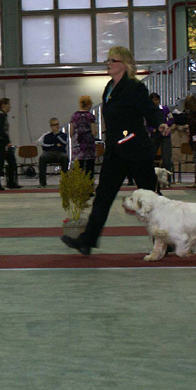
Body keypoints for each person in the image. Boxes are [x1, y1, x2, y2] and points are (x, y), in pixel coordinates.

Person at [62, 46, 169, 256]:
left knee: (153, 198)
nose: (108, 63)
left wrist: (160, 123)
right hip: (115, 152)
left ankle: (166, 241)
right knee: (102, 197)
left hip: (137, 151)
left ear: (124, 64)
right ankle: (87, 241)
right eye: (108, 60)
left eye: (113, 60)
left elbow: (149, 109)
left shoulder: (134, 87)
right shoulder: (109, 87)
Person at [0, 97, 21, 190]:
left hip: (2, 141)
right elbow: (1, 130)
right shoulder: (1, 115)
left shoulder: (3, 115)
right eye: (8, 105)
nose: (10, 107)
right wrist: (8, 142)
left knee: (11, 161)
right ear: (3, 105)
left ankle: (11, 182)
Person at [69, 96, 98, 180]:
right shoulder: (90, 116)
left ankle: (78, 187)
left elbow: (71, 133)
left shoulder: (74, 116)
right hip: (88, 146)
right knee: (89, 169)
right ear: (88, 105)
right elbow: (94, 132)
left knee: (79, 168)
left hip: (78, 145)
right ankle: (89, 188)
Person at [38, 117, 70, 187]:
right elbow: (44, 147)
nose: (56, 126)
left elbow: (64, 144)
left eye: (57, 124)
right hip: (50, 153)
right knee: (42, 157)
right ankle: (42, 182)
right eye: (54, 125)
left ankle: (65, 181)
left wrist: (57, 136)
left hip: (60, 153)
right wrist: (55, 144)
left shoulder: (63, 135)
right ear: (51, 126)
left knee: (65, 157)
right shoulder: (47, 136)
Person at [148, 92, 174, 178]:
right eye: (154, 100)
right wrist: (152, 129)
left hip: (165, 134)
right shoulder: (149, 111)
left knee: (166, 157)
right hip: (155, 135)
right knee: (150, 156)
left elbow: (171, 119)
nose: (156, 101)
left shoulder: (165, 109)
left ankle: (167, 177)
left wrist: (166, 124)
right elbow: (147, 124)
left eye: (157, 99)